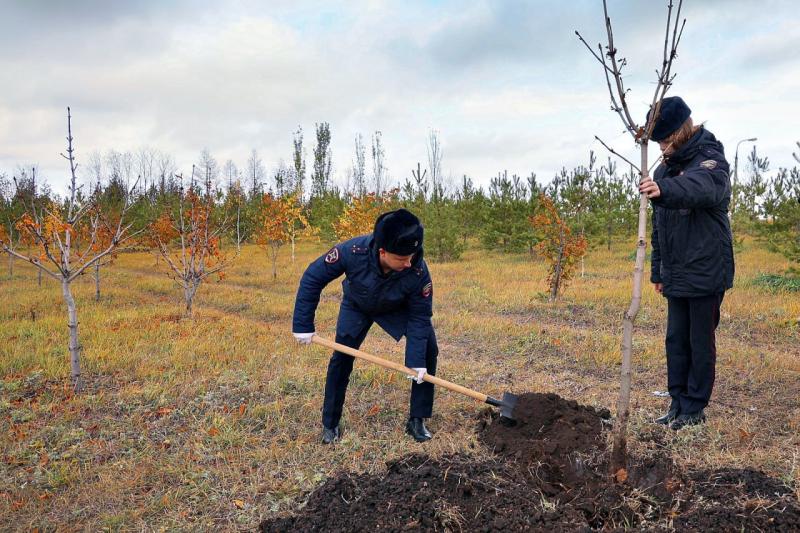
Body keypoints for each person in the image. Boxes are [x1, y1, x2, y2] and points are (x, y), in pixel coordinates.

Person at [292, 208, 438, 443]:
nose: (409, 263)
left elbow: (420, 316)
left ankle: (417, 419)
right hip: (358, 304)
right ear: (382, 251)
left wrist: (416, 361)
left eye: (411, 256)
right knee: (341, 357)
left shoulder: (418, 269)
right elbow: (313, 277)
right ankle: (330, 424)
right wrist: (302, 324)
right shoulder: (352, 251)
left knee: (428, 349)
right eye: (402, 259)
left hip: (395, 308)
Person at [639, 96, 735, 430]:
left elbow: (701, 189)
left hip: (706, 269)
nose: (662, 149)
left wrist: (663, 189)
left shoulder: (710, 159)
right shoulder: (666, 169)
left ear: (681, 132)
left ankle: (695, 408)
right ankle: (677, 402)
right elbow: (659, 228)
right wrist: (658, 270)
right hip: (676, 272)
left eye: (666, 141)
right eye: (659, 142)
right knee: (675, 341)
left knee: (699, 341)